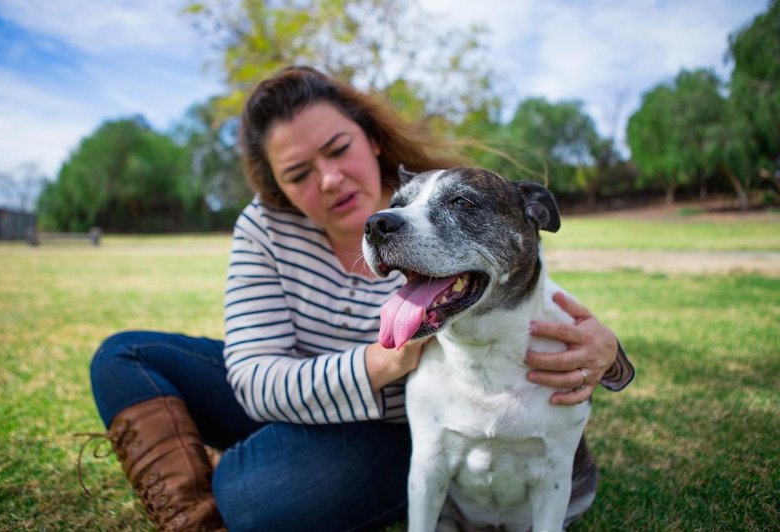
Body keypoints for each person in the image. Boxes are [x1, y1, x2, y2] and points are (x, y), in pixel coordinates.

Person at [87, 66, 634, 531]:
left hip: (385, 426)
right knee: (124, 356)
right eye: (298, 174)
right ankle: (195, 508)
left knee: (252, 498)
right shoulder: (266, 227)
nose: (328, 180)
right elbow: (253, 380)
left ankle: (250, 469)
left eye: (338, 148)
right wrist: (382, 360)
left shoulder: (444, 205)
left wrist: (609, 353)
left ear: (369, 137)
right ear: (276, 187)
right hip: (297, 387)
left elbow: (523, 280)